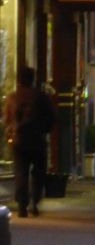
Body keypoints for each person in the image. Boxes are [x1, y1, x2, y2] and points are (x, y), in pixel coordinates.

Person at [4, 67, 55, 217]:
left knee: (21, 172)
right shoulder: (41, 97)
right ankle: (35, 201)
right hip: (37, 140)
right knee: (38, 172)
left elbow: (7, 119)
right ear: (32, 79)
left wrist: (10, 132)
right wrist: (44, 130)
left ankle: (22, 205)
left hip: (18, 140)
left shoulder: (12, 98)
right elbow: (51, 118)